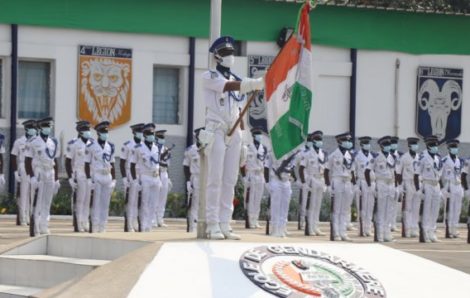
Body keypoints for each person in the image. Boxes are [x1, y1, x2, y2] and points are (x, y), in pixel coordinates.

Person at [202, 35, 264, 239]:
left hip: (235, 130)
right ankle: (212, 224)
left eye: (232, 53)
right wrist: (254, 83)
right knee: (215, 178)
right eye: (226, 53)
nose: (230, 56)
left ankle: (225, 222)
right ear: (217, 56)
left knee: (230, 179)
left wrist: (245, 139)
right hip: (217, 129)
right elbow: (228, 87)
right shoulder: (209, 76)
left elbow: (239, 111)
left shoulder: (239, 79)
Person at [25, 117, 60, 236]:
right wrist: (32, 177)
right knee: (37, 200)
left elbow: (55, 160)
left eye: (49, 126)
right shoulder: (33, 142)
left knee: (47, 201)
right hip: (39, 171)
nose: (48, 128)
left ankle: (44, 225)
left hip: (50, 171)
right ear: (40, 128)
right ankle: (35, 226)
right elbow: (27, 160)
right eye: (45, 126)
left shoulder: (53, 142)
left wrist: (57, 179)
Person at [85, 121, 116, 233]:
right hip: (96, 175)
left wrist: (114, 179)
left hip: (107, 175)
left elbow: (112, 163)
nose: (105, 134)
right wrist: (88, 178)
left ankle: (103, 226)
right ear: (98, 133)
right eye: (103, 131)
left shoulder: (111, 146)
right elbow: (86, 163)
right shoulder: (91, 146)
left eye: (106, 132)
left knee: (105, 203)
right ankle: (95, 225)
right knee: (96, 203)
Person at [324, 132, 355, 241]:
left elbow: (352, 171)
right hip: (337, 181)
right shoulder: (333, 155)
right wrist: (328, 185)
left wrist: (353, 185)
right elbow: (327, 170)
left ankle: (343, 232)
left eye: (348, 140)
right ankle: (336, 233)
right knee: (336, 209)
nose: (348, 142)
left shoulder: (350, 155)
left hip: (347, 182)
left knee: (345, 209)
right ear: (339, 141)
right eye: (345, 140)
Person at [131, 123, 160, 232]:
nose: (152, 136)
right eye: (149, 134)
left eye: (153, 134)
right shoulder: (138, 148)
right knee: (144, 203)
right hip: (145, 177)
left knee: (154, 203)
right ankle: (143, 225)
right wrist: (135, 180)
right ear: (145, 135)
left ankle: (149, 225)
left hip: (155, 177)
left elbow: (157, 163)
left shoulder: (156, 147)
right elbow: (132, 164)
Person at [65, 120, 93, 232]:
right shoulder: (73, 144)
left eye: (88, 129)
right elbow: (68, 162)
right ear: (80, 131)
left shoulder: (92, 143)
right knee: (79, 199)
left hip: (90, 174)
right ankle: (78, 222)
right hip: (79, 173)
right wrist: (71, 177)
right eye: (85, 130)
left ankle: (85, 221)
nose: (88, 132)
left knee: (88, 199)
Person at [366, 136, 395, 242]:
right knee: (381, 211)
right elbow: (367, 171)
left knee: (389, 211)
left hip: (390, 184)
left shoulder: (391, 156)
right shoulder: (376, 156)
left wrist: (395, 185)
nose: (388, 147)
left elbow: (393, 171)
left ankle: (387, 233)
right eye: (386, 145)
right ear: (382, 146)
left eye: (389, 145)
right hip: (381, 183)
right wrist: (370, 186)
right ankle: (380, 234)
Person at [299, 131, 327, 236]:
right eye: (318, 140)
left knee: (317, 205)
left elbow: (324, 168)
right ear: (313, 141)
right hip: (311, 180)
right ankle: (310, 227)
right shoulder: (307, 154)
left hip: (320, 179)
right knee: (311, 205)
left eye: (321, 140)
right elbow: (301, 169)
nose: (320, 142)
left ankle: (316, 226)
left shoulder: (322, 154)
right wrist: (304, 182)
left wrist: (325, 183)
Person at [416, 135, 442, 243]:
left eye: (436, 144)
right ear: (428, 146)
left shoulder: (438, 157)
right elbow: (416, 174)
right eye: (433, 145)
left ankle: (432, 231)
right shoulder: (422, 157)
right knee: (426, 210)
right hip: (426, 185)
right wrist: (419, 189)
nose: (435, 147)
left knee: (435, 210)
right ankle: (425, 232)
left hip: (436, 185)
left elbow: (440, 174)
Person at [11, 119, 37, 225]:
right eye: (31, 128)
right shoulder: (19, 142)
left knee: (32, 193)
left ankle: (30, 216)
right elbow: (13, 157)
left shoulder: (36, 141)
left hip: (34, 166)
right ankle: (23, 217)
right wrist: (15, 172)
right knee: (23, 194)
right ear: (26, 129)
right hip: (23, 166)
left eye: (34, 128)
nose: (34, 130)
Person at [240, 127, 267, 229]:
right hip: (250, 175)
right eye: (257, 135)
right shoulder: (247, 148)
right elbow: (242, 164)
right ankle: (250, 219)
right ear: (253, 136)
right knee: (250, 198)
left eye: (260, 135)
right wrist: (244, 177)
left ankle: (256, 219)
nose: (259, 137)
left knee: (258, 198)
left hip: (260, 174)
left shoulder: (263, 148)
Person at [266, 150, 297, 237]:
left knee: (285, 206)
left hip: (286, 181)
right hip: (276, 180)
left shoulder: (291, 153)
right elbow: (266, 167)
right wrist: (267, 183)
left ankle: (282, 228)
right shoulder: (272, 152)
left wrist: (295, 178)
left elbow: (292, 168)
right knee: (275, 206)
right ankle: (275, 229)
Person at [120, 123, 145, 232]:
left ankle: (135, 221)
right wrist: (125, 178)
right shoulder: (128, 145)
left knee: (140, 200)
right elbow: (122, 162)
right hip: (130, 172)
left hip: (142, 174)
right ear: (134, 132)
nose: (140, 133)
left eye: (141, 131)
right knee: (131, 200)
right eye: (138, 131)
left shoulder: (145, 146)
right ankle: (129, 223)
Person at [396, 137, 421, 237]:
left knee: (416, 208)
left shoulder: (419, 157)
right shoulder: (404, 157)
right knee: (407, 208)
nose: (415, 146)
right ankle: (407, 229)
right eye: (413, 144)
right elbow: (398, 173)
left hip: (417, 183)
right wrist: (401, 186)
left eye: (416, 144)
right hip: (407, 183)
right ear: (409, 145)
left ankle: (414, 228)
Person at [441, 139, 464, 238]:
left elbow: (460, 174)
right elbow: (439, 174)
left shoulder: (459, 160)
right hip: (449, 185)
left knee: (457, 209)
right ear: (449, 148)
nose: (455, 149)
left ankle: (455, 229)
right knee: (449, 209)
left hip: (458, 185)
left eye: (456, 147)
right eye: (453, 147)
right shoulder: (444, 160)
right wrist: (442, 188)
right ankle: (448, 229)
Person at [354, 136, 375, 237]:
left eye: (368, 143)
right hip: (361, 182)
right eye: (365, 143)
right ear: (361, 145)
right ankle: (361, 229)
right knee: (361, 207)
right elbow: (353, 171)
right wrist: (355, 185)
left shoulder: (372, 156)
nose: (368, 145)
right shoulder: (357, 156)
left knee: (369, 206)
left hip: (371, 183)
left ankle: (368, 228)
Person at [183, 127, 204, 232]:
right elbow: (186, 166)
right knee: (194, 203)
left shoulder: (208, 148)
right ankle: (192, 227)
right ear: (197, 136)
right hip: (195, 178)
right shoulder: (190, 150)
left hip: (206, 178)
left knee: (205, 203)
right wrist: (188, 181)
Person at [155, 130, 172, 228]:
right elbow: (156, 162)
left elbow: (167, 164)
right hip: (157, 173)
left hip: (164, 173)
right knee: (155, 197)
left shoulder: (166, 149)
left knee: (163, 198)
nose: (162, 139)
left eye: (163, 137)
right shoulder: (154, 148)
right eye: (161, 137)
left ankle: (160, 219)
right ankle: (153, 219)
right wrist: (163, 154)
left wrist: (168, 178)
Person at [389, 136, 403, 232]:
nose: (394, 144)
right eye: (392, 143)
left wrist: (400, 184)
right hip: (389, 182)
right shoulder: (387, 155)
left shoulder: (400, 155)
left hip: (397, 183)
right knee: (388, 205)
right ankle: (388, 224)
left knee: (395, 205)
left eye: (395, 142)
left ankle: (393, 223)